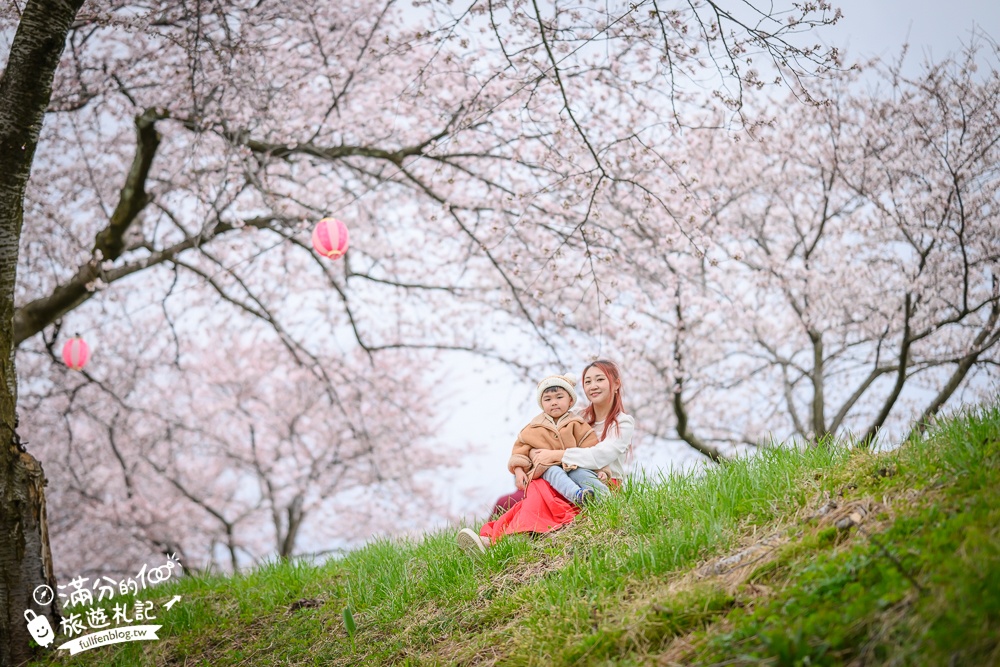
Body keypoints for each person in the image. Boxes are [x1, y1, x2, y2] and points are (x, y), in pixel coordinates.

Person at [457, 360, 634, 554]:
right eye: (588, 381)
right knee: (538, 486)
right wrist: (534, 456)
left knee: (542, 490)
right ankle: (490, 539)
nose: (593, 386)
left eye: (600, 379)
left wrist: (554, 455)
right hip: (566, 480)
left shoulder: (622, 423)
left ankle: (499, 539)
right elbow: (540, 439)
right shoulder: (574, 415)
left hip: (601, 485)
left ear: (616, 384)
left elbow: (600, 455)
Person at [507, 373, 610, 507]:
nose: (554, 402)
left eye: (559, 397)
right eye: (548, 399)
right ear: (542, 404)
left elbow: (591, 448)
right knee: (554, 472)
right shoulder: (533, 427)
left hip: (574, 464)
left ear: (570, 401)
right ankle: (577, 495)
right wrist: (519, 470)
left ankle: (605, 497)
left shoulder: (577, 424)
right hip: (546, 467)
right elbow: (520, 451)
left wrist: (602, 470)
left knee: (581, 472)